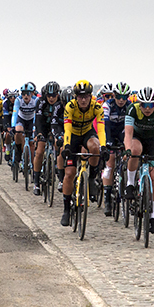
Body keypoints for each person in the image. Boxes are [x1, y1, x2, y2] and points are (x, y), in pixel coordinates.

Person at [123, 87, 154, 235]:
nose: (148, 108)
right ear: (140, 103)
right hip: (137, 138)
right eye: (144, 105)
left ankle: (153, 217)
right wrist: (127, 149)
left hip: (153, 140)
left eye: (151, 105)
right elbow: (128, 133)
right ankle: (130, 184)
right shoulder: (132, 109)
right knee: (135, 151)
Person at [60, 80, 107, 227]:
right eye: (80, 96)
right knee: (69, 174)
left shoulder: (97, 107)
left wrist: (104, 147)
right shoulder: (70, 107)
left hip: (87, 133)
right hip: (73, 136)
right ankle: (66, 209)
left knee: (95, 147)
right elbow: (67, 129)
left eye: (86, 96)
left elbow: (100, 129)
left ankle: (92, 178)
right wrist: (67, 145)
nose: (83, 99)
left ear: (90, 96)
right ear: (75, 97)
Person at [100, 81, 131, 216]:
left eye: (124, 97)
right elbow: (105, 125)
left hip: (123, 132)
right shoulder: (107, 105)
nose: (121, 100)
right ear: (114, 96)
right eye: (118, 97)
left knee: (129, 158)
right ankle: (107, 198)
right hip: (110, 132)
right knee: (110, 162)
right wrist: (107, 142)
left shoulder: (130, 107)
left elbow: (131, 128)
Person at [33, 82, 64, 196]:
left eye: (54, 95)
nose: (51, 98)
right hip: (43, 127)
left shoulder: (61, 102)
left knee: (59, 146)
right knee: (39, 151)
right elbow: (39, 119)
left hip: (56, 127)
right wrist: (39, 133)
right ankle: (36, 182)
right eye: (49, 96)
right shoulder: (41, 102)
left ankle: (60, 176)